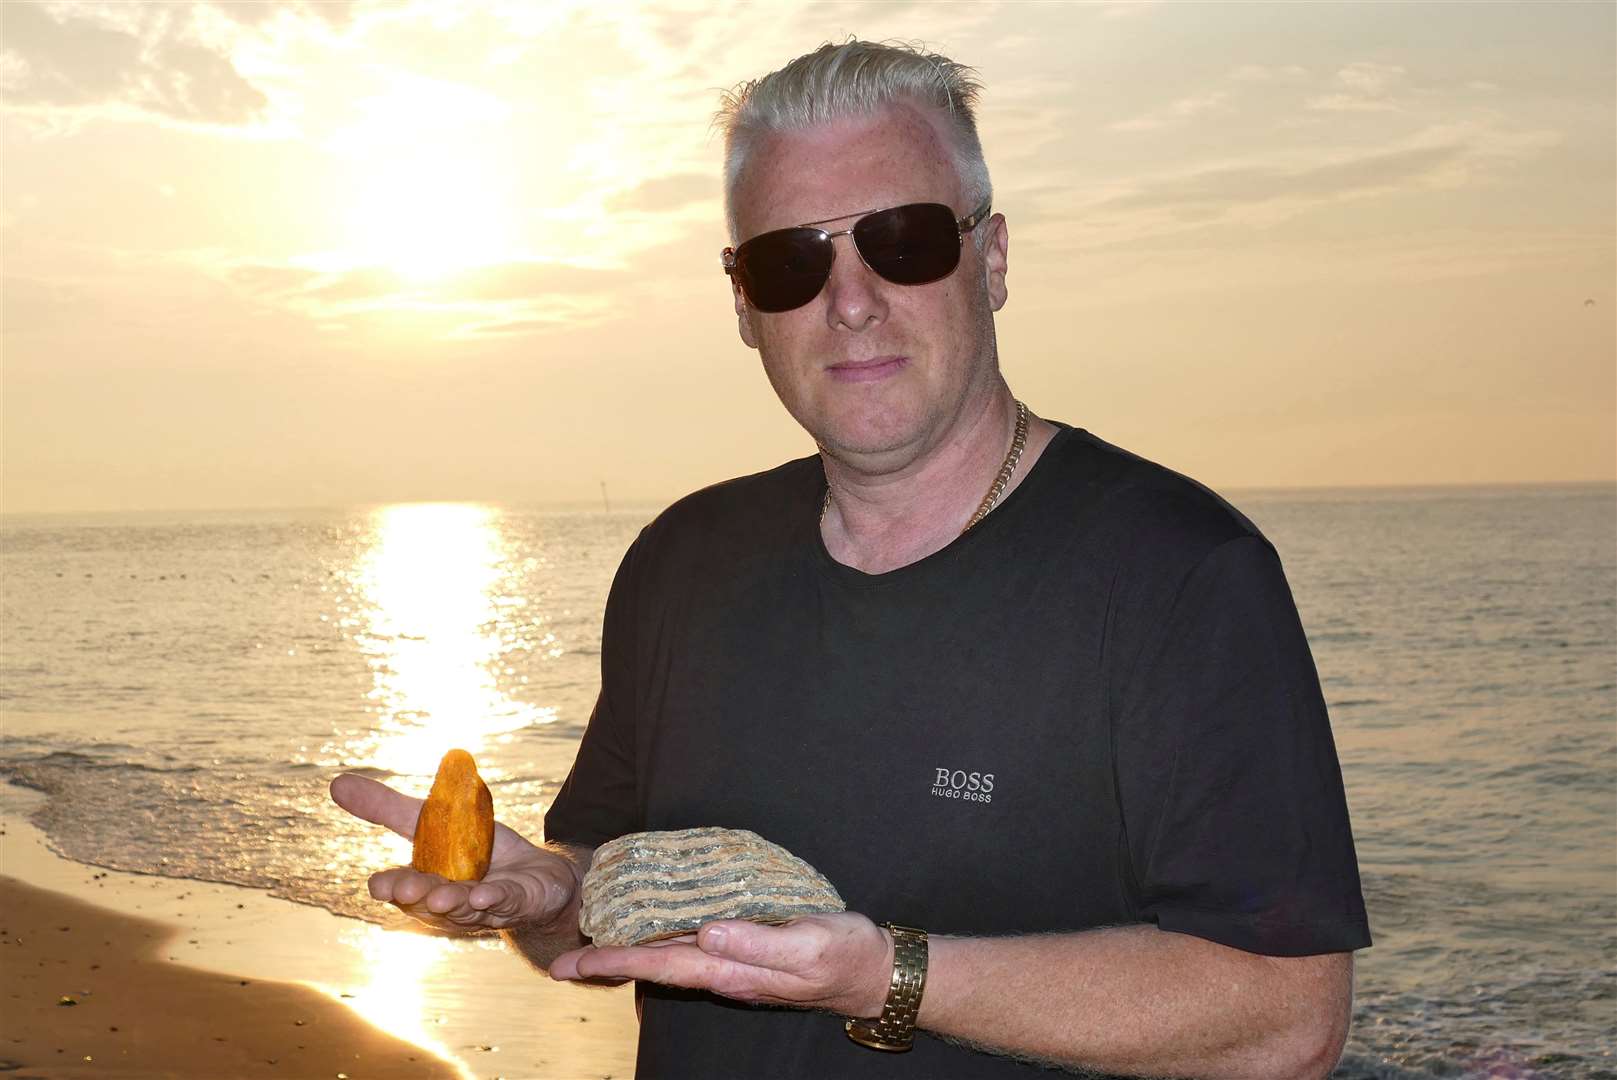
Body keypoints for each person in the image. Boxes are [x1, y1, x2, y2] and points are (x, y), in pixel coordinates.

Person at [332, 39, 1371, 1078]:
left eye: (905, 240)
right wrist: (554, 901)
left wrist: (888, 979)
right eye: (793, 260)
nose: (852, 297)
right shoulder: (684, 563)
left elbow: (1286, 1019)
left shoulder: (1178, 574)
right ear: (744, 302)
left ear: (993, 258)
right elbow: (600, 908)